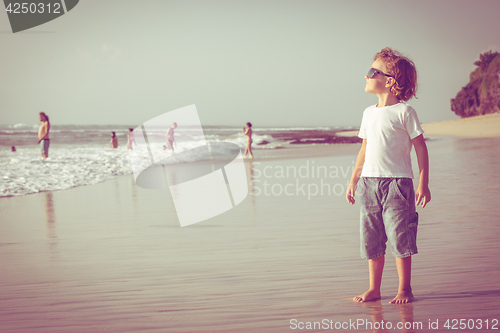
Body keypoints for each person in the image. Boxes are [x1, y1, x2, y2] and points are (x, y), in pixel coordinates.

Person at [346, 48, 431, 304]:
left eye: (372, 72)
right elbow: (364, 148)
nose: (366, 75)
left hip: (398, 183)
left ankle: (405, 288)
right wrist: (354, 179)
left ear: (390, 80)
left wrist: (423, 183)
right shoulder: (368, 113)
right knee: (371, 238)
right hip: (369, 184)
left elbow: (420, 147)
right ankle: (374, 288)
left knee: (399, 236)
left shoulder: (405, 113)